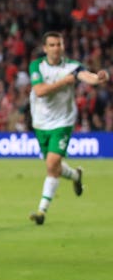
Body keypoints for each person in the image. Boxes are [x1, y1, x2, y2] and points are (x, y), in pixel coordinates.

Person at [28, 31, 110, 225]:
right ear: (45, 48)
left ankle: (41, 211)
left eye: (59, 44)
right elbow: (39, 91)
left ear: (63, 46)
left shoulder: (72, 67)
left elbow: (85, 75)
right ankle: (75, 175)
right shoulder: (36, 66)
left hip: (63, 122)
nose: (56, 48)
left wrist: (99, 78)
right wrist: (63, 82)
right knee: (53, 165)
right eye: (52, 45)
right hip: (40, 123)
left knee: (51, 164)